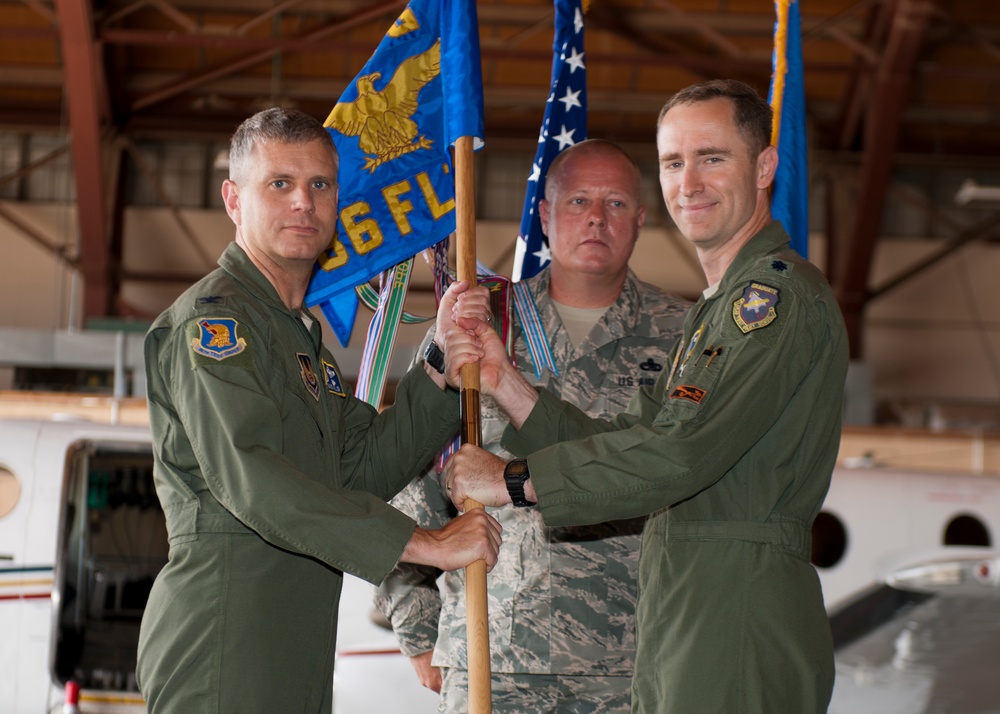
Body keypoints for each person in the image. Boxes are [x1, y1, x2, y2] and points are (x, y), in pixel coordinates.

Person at [442, 79, 849, 713]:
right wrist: (504, 382)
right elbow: (627, 440)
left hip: (734, 616)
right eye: (672, 162)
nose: (689, 183)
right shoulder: (716, 311)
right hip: (685, 612)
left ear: (764, 166)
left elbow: (676, 455)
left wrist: (512, 480)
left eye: (712, 157)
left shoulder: (770, 302)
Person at [135, 107, 503, 714]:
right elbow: (254, 479)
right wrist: (427, 543)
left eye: (320, 185)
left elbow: (359, 468)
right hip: (226, 631)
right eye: (279, 184)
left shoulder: (295, 336)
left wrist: (438, 362)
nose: (303, 202)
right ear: (233, 200)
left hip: (291, 638)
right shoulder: (216, 322)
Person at [374, 139, 689, 713]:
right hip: (491, 647)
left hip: (628, 659)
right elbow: (402, 465)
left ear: (642, 221)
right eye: (578, 201)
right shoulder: (478, 320)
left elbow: (677, 470)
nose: (596, 217)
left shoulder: (683, 335)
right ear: (544, 214)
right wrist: (416, 623)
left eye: (616, 203)